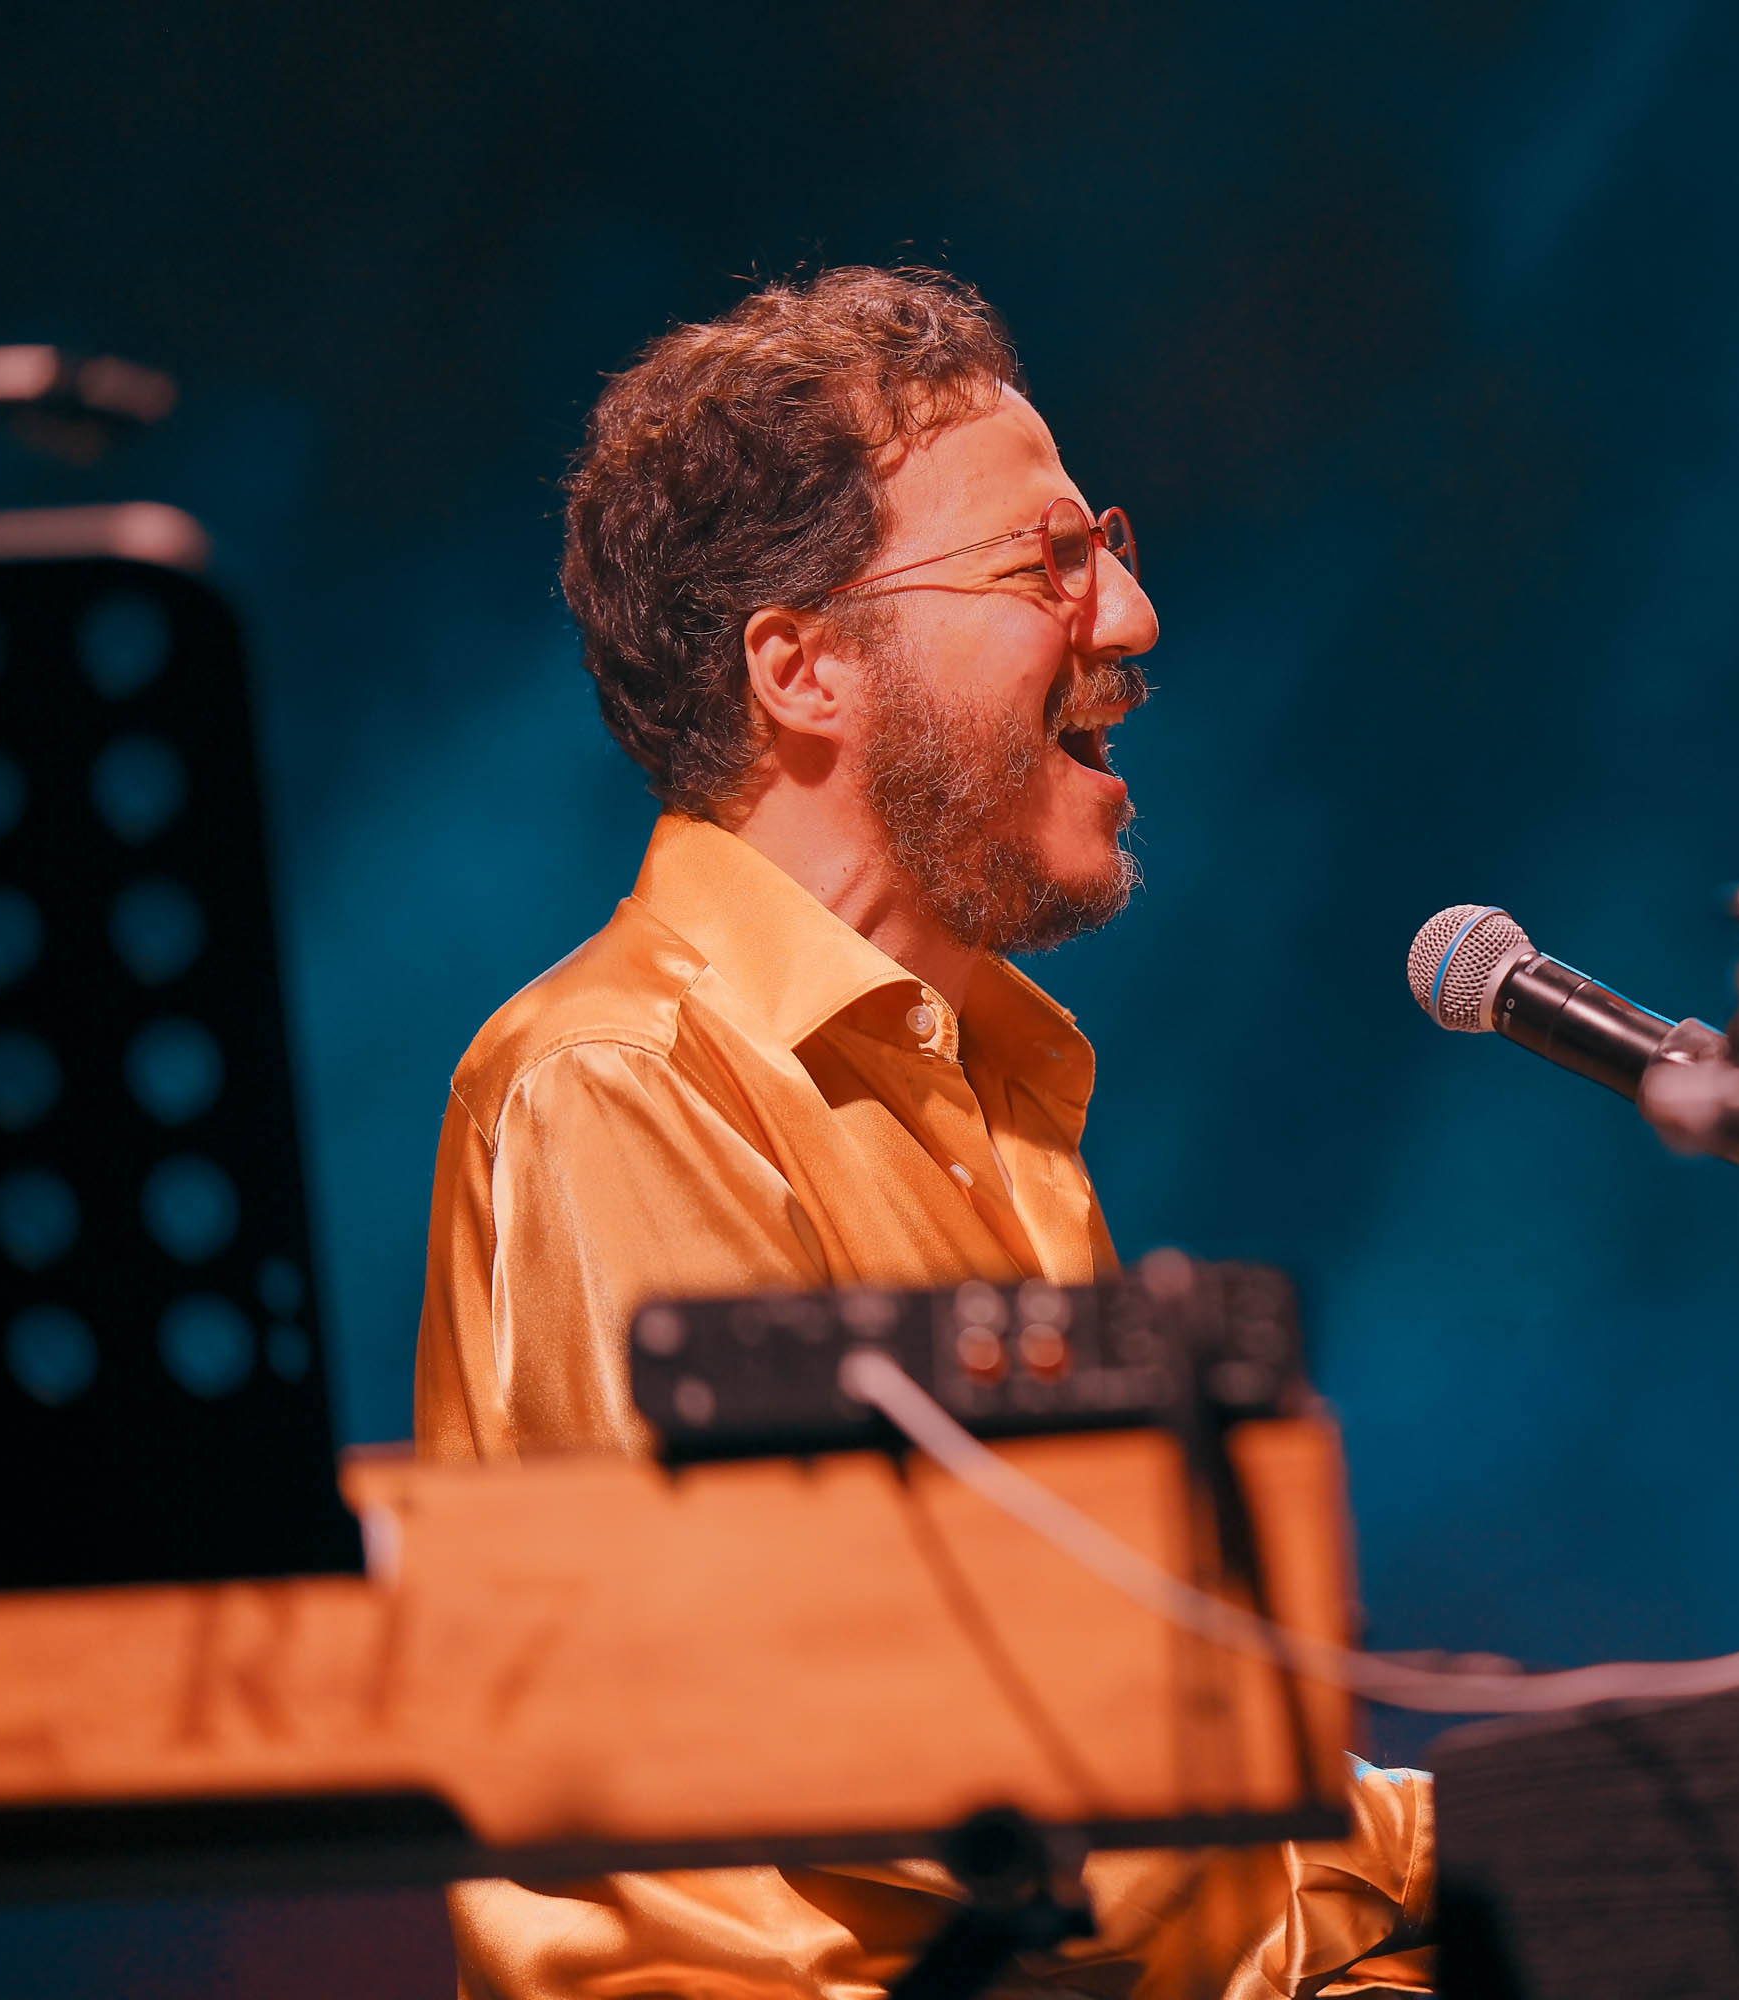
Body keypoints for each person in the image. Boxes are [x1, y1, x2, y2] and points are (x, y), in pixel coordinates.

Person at [412, 267, 1432, 2000]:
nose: (1132, 616)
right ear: (803, 668)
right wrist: (1427, 1853)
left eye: (1106, 546)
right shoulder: (617, 1080)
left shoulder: (996, 1082)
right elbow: (898, 1750)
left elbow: (1125, 1761)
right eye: (1048, 564)